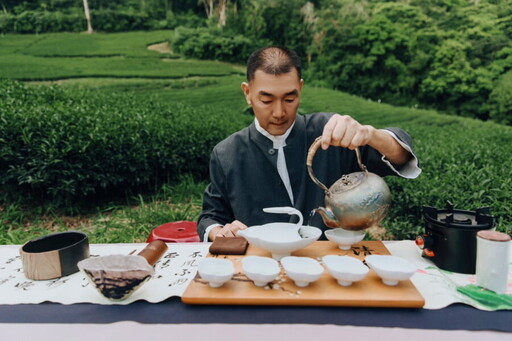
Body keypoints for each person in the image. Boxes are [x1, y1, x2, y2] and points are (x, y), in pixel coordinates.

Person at [197, 46, 421, 242]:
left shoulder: (330, 132)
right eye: (266, 100)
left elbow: (400, 156)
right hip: (258, 266)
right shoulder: (227, 152)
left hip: (330, 266)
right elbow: (211, 217)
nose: (279, 113)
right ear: (247, 93)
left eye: (289, 99)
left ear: (300, 89)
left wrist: (369, 134)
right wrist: (219, 231)